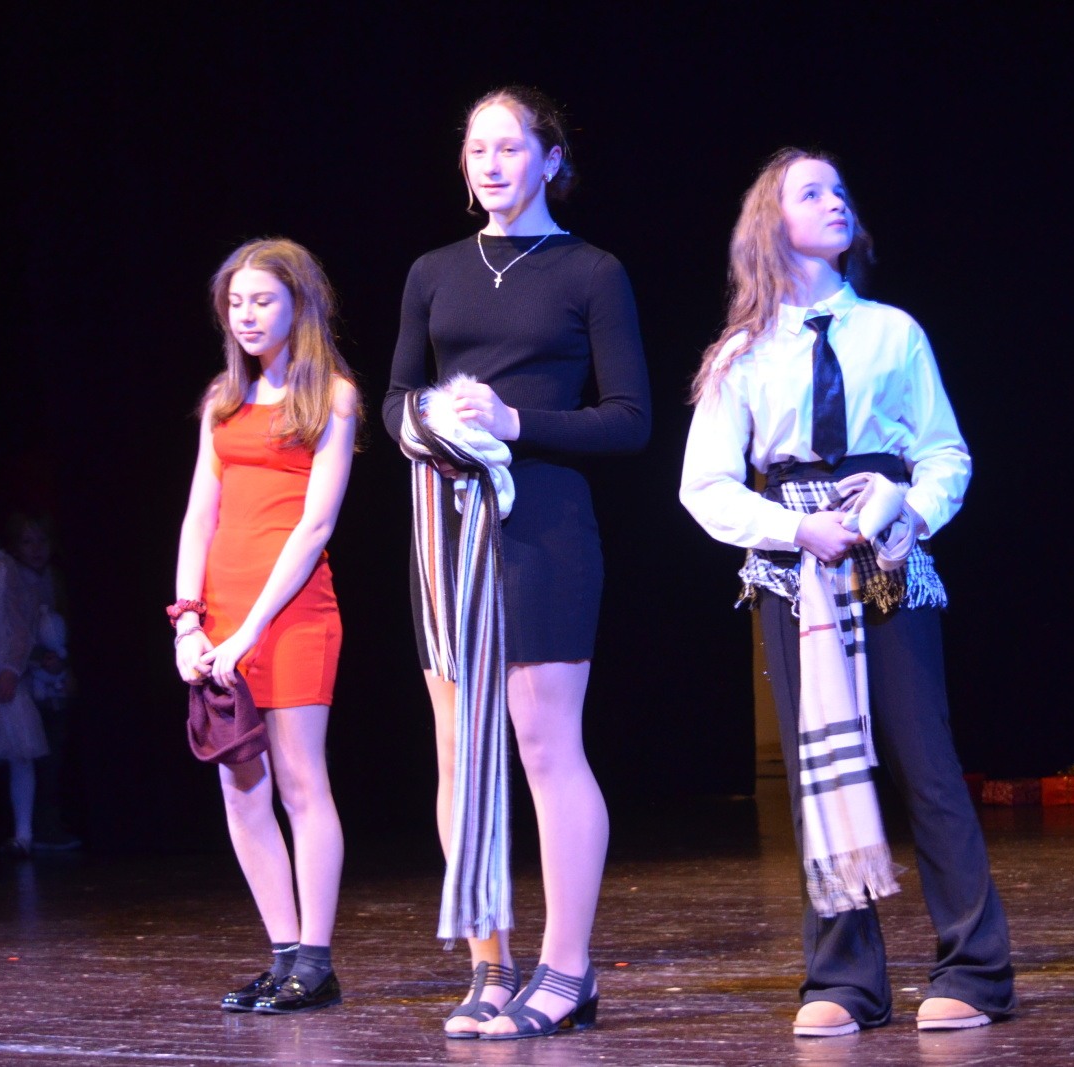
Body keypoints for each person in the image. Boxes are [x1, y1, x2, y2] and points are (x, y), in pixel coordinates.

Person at [680, 148, 1016, 1038]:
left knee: (925, 762)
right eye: (812, 192)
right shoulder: (743, 354)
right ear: (772, 222)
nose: (836, 202)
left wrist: (907, 505)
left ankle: (975, 968)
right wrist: (797, 531)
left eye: (839, 191)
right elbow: (704, 485)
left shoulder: (892, 333)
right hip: (799, 572)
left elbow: (945, 452)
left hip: (889, 557)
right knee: (818, 769)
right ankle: (845, 977)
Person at [383, 86, 650, 1040]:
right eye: (477, 150)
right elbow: (396, 395)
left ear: (550, 160)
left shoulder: (592, 271)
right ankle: (488, 965)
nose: (491, 164)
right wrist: (426, 424)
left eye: (510, 148)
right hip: (445, 528)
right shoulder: (433, 271)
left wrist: (512, 422)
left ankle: (567, 969)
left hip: (544, 526)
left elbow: (629, 419)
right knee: (460, 751)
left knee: (542, 743)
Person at [173, 237, 360, 1015]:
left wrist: (249, 629)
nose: (246, 315)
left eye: (263, 300)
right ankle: (283, 954)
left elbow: (315, 525)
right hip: (220, 617)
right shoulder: (224, 397)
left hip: (290, 615)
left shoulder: (331, 397)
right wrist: (187, 621)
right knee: (240, 787)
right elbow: (199, 515)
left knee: (298, 780)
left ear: (298, 305)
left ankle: (315, 961)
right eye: (236, 302)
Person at [0, 495, 48, 861]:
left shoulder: (2, 567)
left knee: (20, 751)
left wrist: (12, 669)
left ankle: (23, 834)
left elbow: (21, 623)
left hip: (1, 668)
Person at [8, 512, 80, 850]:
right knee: (32, 760)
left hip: (56, 682)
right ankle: (33, 829)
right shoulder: (12, 578)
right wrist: (38, 658)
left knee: (55, 757)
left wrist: (63, 663)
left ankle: (50, 825)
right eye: (27, 542)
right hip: (25, 682)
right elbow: (12, 630)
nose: (36, 549)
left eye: (42, 540)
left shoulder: (55, 579)